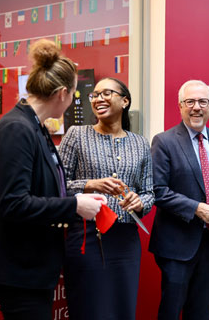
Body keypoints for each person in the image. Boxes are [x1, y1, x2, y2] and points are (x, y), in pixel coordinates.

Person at [0, 39, 105, 320]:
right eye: (74, 94)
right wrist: (74, 206)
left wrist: (76, 198)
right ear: (62, 92)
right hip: (17, 266)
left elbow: (41, 189)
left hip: (30, 262)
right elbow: (13, 203)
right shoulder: (16, 130)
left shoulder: (34, 127)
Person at [58, 77, 154, 320]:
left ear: (125, 101)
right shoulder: (76, 135)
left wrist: (140, 202)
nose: (99, 98)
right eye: (95, 95)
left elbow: (150, 191)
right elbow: (55, 185)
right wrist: (90, 184)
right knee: (90, 308)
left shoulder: (140, 143)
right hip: (87, 235)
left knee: (123, 306)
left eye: (106, 93)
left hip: (126, 239)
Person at [149, 79, 209, 320]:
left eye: (203, 102)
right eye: (190, 101)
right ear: (180, 106)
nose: (196, 107)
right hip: (176, 244)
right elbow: (157, 190)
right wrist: (196, 208)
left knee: (201, 309)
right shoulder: (164, 141)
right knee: (171, 309)